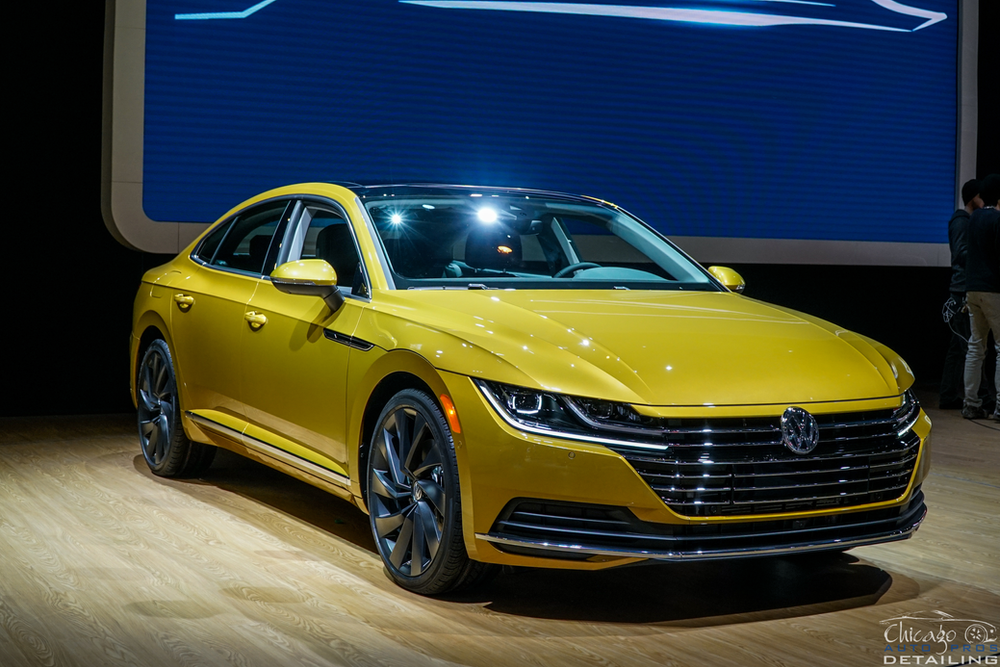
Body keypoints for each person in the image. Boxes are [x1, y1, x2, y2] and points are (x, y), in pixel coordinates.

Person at [939, 179, 982, 408]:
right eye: (981, 197)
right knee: (966, 347)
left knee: (959, 347)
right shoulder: (961, 222)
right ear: (974, 197)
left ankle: (948, 396)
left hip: (961, 289)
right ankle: (970, 398)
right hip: (960, 291)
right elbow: (960, 254)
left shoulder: (964, 221)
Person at [962, 173, 1000, 421]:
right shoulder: (996, 220)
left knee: (976, 347)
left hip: (972, 289)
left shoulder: (973, 218)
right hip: (993, 289)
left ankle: (970, 403)